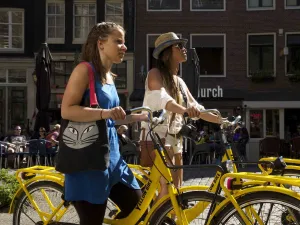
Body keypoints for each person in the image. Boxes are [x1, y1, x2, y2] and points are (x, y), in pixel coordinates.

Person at [61, 22, 148, 225]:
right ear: (101, 44)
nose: (124, 47)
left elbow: (111, 117)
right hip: (89, 161)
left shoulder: (109, 76)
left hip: (113, 159)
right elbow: (67, 110)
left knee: (138, 207)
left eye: (124, 42)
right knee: (93, 221)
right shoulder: (84, 70)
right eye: (118, 41)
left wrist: (141, 117)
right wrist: (105, 112)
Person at [141, 32, 223, 200]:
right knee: (165, 190)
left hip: (176, 140)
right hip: (158, 139)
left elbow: (196, 107)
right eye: (178, 46)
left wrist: (221, 120)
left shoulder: (179, 81)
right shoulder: (154, 74)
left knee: (177, 190)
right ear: (167, 53)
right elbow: (163, 98)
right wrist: (185, 110)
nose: (184, 49)